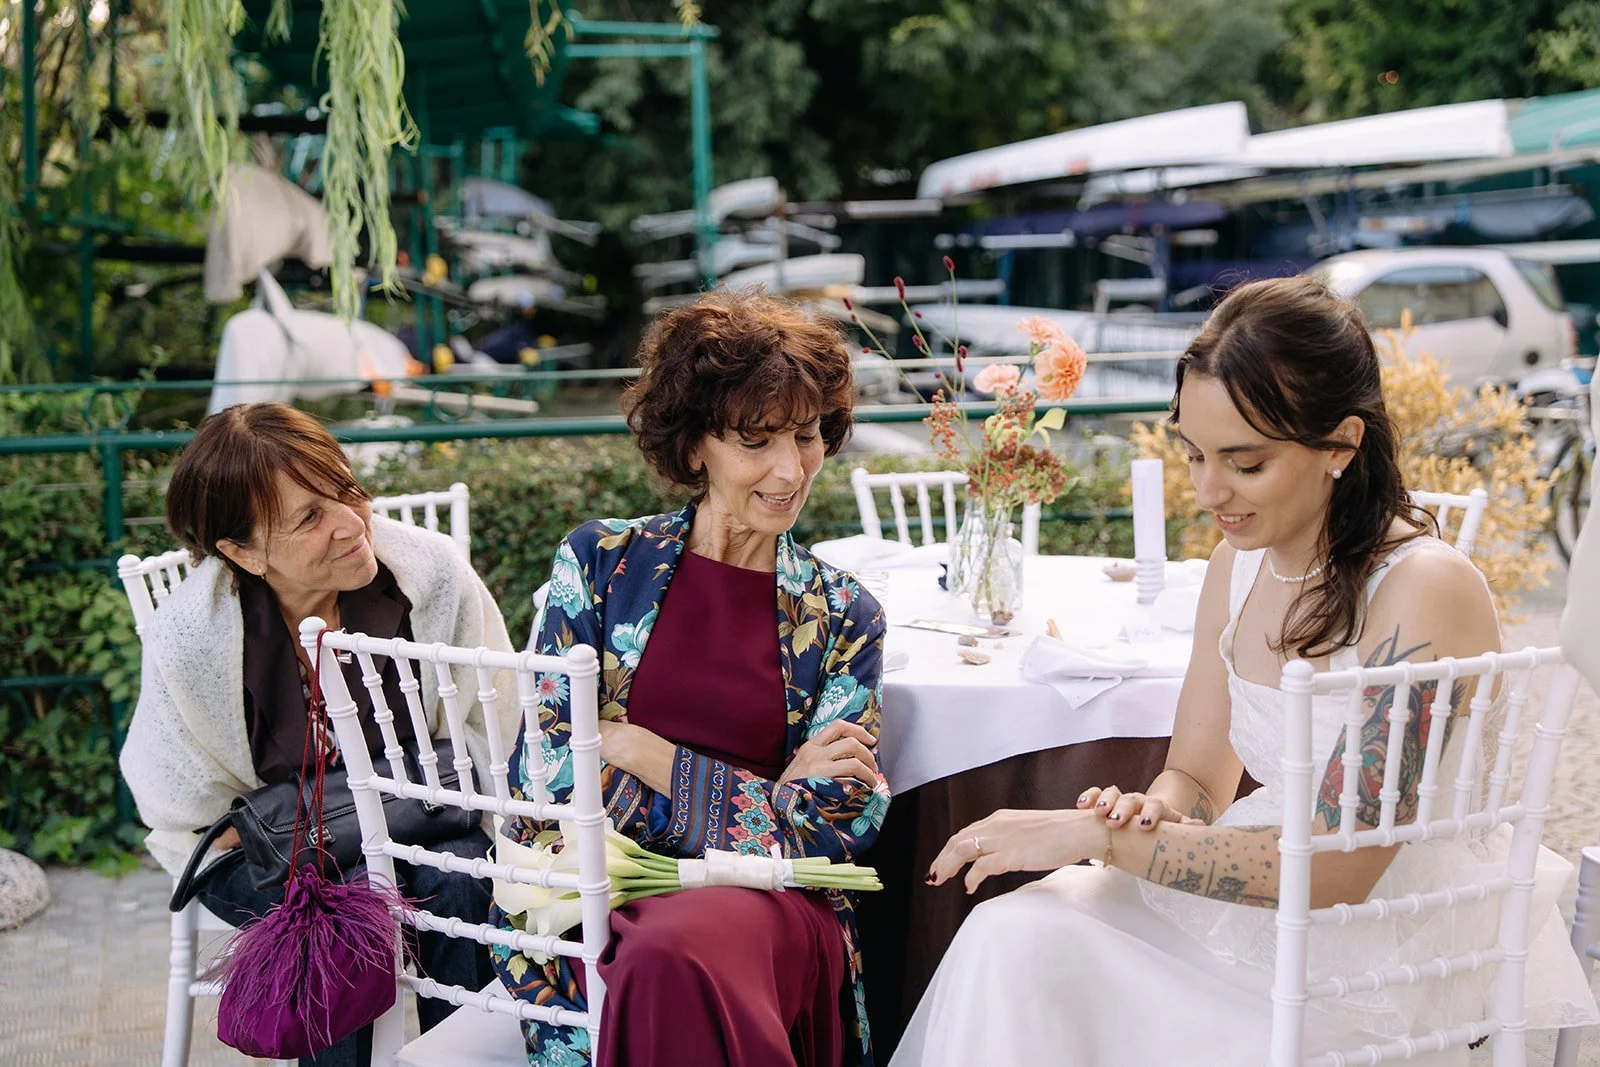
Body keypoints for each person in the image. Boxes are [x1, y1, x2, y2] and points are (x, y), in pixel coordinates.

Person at [891, 277, 1599, 1066]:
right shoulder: (1237, 566)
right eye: (1195, 454)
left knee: (1052, 960)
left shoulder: (1425, 589)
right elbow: (1197, 775)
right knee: (1009, 932)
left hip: (1370, 961)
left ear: (1342, 443)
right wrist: (1146, 811)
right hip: (1253, 905)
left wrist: (1097, 838)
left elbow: (1336, 870)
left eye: (1245, 462)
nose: (1207, 491)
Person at [489, 290, 891, 1067]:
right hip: (601, 899)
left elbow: (840, 830)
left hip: (773, 911)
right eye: (756, 440)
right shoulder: (601, 564)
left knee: (673, 955)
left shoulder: (845, 612)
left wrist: (642, 751)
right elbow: (545, 775)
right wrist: (764, 796)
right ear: (697, 442)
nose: (790, 469)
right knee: (662, 953)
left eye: (806, 436)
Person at [119, 402, 514, 1067]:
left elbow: (493, 730)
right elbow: (184, 802)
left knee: (460, 882)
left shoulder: (431, 577)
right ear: (240, 551)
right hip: (264, 851)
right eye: (308, 516)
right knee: (348, 916)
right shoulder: (191, 636)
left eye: (346, 489)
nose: (350, 524)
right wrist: (326, 839)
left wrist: (383, 828)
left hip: (420, 823)